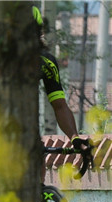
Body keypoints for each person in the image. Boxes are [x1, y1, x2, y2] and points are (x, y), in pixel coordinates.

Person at [33, 6, 92, 167]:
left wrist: (74, 137)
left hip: (26, 131)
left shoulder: (46, 62)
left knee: (37, 165)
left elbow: (60, 106)